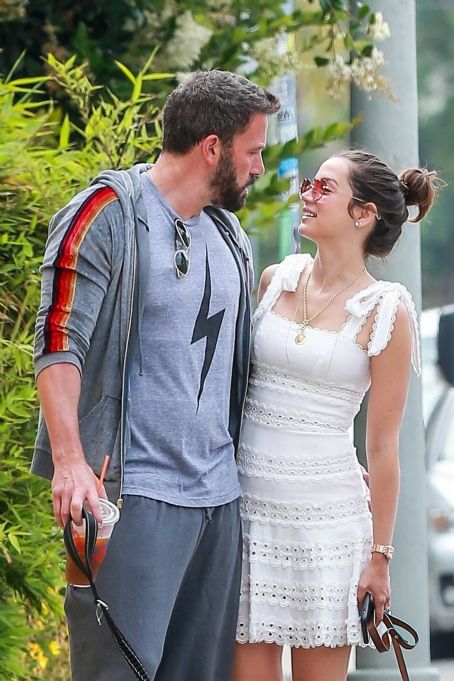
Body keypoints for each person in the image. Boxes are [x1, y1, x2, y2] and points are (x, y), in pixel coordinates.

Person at [32, 69, 280, 681]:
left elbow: (241, 370)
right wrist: (69, 462)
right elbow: (59, 339)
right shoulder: (106, 212)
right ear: (213, 146)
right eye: (253, 152)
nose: (258, 168)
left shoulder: (231, 235)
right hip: (132, 499)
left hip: (219, 505)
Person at [232, 150, 438, 681]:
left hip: (326, 523)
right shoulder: (275, 278)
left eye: (325, 188)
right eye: (309, 184)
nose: (307, 195)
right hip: (247, 513)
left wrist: (381, 556)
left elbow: (384, 446)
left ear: (363, 214)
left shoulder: (386, 308)